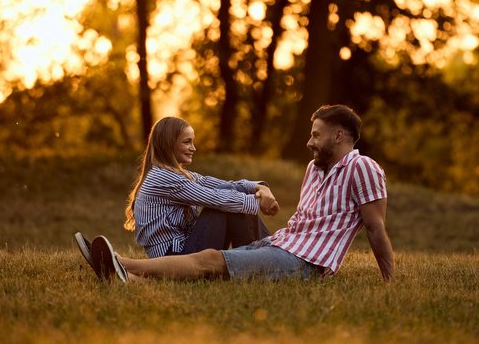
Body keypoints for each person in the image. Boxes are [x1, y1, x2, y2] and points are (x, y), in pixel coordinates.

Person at [87, 104, 395, 283]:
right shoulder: (315, 169)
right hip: (283, 246)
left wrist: (389, 282)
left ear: (339, 136)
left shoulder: (363, 167)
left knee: (209, 260)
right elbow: (221, 192)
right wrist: (260, 195)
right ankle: (131, 279)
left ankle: (121, 264)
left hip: (306, 262)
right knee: (218, 254)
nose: (309, 142)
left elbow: (375, 227)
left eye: (316, 135)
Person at [74, 117, 279, 268]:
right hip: (175, 256)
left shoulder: (177, 174)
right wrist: (256, 201)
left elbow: (217, 184)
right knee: (223, 205)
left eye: (193, 142)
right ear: (168, 144)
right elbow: (214, 197)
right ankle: (268, 258)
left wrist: (260, 187)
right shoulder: (163, 178)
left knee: (228, 198)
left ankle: (265, 256)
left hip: (184, 249)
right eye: (187, 142)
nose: (194, 148)